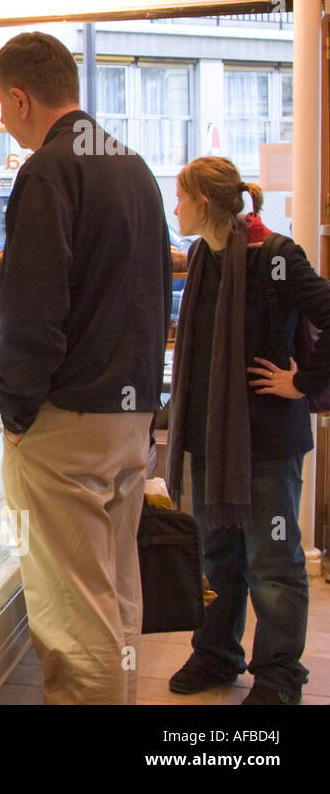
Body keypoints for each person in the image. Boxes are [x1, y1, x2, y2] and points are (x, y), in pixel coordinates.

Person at [0, 31, 172, 705]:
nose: (1, 119)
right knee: (114, 597)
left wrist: (17, 409)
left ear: (22, 97)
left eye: (1, 104)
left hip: (68, 424)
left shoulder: (49, 170)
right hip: (130, 415)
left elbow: (36, 308)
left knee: (71, 615)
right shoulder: (133, 165)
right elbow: (151, 295)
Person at [166, 157, 330, 705]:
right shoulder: (202, 256)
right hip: (213, 436)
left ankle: (280, 674)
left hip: (266, 439)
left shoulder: (275, 256)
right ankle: (217, 653)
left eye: (181, 197)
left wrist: (302, 381)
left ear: (204, 203)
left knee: (273, 563)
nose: (175, 207)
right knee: (217, 553)